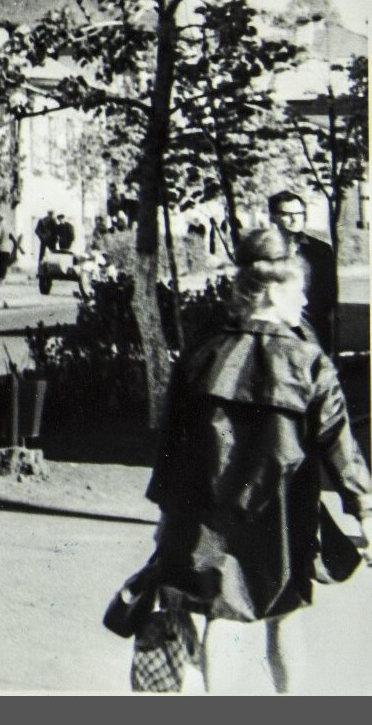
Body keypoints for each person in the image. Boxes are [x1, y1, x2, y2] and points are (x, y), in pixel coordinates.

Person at [144, 227, 371, 693]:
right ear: (275, 290)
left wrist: (166, 518)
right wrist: (365, 511)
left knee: (221, 616)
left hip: (209, 513)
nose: (304, 302)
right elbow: (340, 448)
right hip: (283, 515)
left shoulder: (202, 355)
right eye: (299, 291)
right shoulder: (309, 362)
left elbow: (172, 446)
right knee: (285, 617)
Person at [267, 190, 339, 357]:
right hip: (276, 326)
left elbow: (330, 292)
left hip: (314, 324)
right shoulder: (264, 250)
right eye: (287, 214)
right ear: (273, 217)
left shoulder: (321, 250)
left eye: (299, 213)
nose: (295, 219)